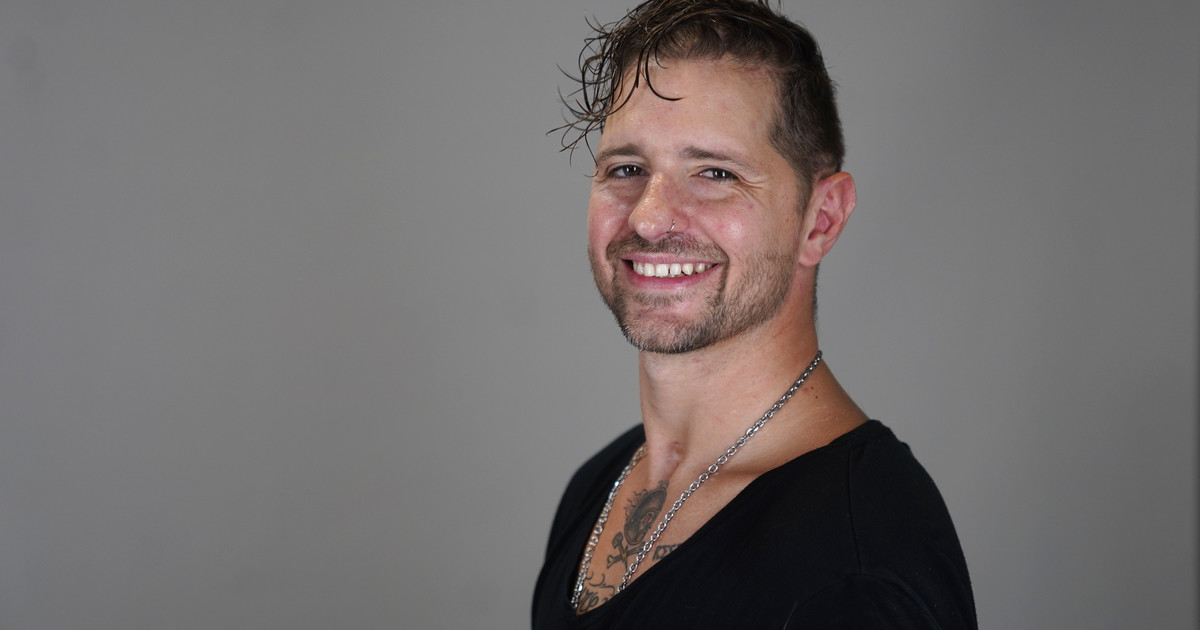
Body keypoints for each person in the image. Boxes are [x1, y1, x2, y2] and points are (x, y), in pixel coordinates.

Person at [533, 1, 977, 628]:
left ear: (820, 220)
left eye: (715, 173)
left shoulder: (854, 574)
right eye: (626, 169)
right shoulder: (601, 486)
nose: (649, 217)